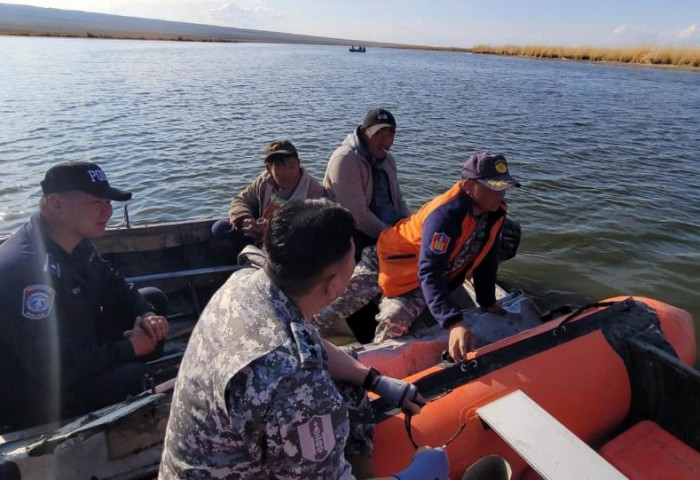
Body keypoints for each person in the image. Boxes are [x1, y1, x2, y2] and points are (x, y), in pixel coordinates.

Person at [160, 199, 448, 480]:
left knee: (349, 387)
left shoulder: (244, 285)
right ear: (334, 284)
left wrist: (375, 380)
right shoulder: (298, 385)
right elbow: (292, 368)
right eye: (354, 256)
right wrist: (418, 472)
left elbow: (305, 341)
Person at [0, 162, 170, 431]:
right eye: (96, 202)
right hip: (34, 392)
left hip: (75, 347)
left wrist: (147, 314)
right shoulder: (25, 270)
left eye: (108, 201)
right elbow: (53, 369)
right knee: (137, 377)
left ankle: (130, 355)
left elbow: (113, 282)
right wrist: (129, 348)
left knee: (154, 300)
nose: (108, 210)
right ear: (56, 204)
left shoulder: (72, 239)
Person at [313, 152, 521, 361]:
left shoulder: (494, 214)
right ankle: (299, 334)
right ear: (468, 186)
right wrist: (453, 322)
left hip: (416, 281)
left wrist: (487, 301)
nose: (499, 194)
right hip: (385, 261)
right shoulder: (444, 216)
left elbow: (487, 260)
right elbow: (431, 271)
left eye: (503, 188)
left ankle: (378, 367)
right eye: (492, 187)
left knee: (395, 320)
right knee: (334, 304)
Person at [324, 108, 411, 258]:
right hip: (351, 232)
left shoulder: (388, 160)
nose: (384, 140)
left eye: (390, 135)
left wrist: (410, 224)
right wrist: (392, 236)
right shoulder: (345, 160)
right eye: (378, 133)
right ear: (365, 132)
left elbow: (398, 199)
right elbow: (357, 216)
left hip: (386, 226)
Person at [211, 139, 326, 253]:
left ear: (299, 164)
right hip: (261, 237)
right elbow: (241, 200)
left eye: (292, 165)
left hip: (290, 245)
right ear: (269, 168)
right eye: (279, 166)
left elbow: (316, 231)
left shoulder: (312, 190)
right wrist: (245, 219)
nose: (287, 173)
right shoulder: (264, 181)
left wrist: (273, 231)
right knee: (220, 228)